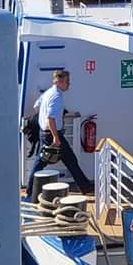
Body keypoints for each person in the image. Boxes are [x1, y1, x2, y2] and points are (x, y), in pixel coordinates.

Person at [25, 69, 93, 198]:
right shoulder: (56, 96)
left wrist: (42, 117)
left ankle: (30, 190)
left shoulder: (47, 93)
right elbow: (51, 118)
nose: (69, 84)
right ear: (59, 81)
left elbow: (36, 106)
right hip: (52, 135)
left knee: (41, 161)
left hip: (43, 133)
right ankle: (85, 186)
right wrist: (56, 137)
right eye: (67, 81)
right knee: (69, 160)